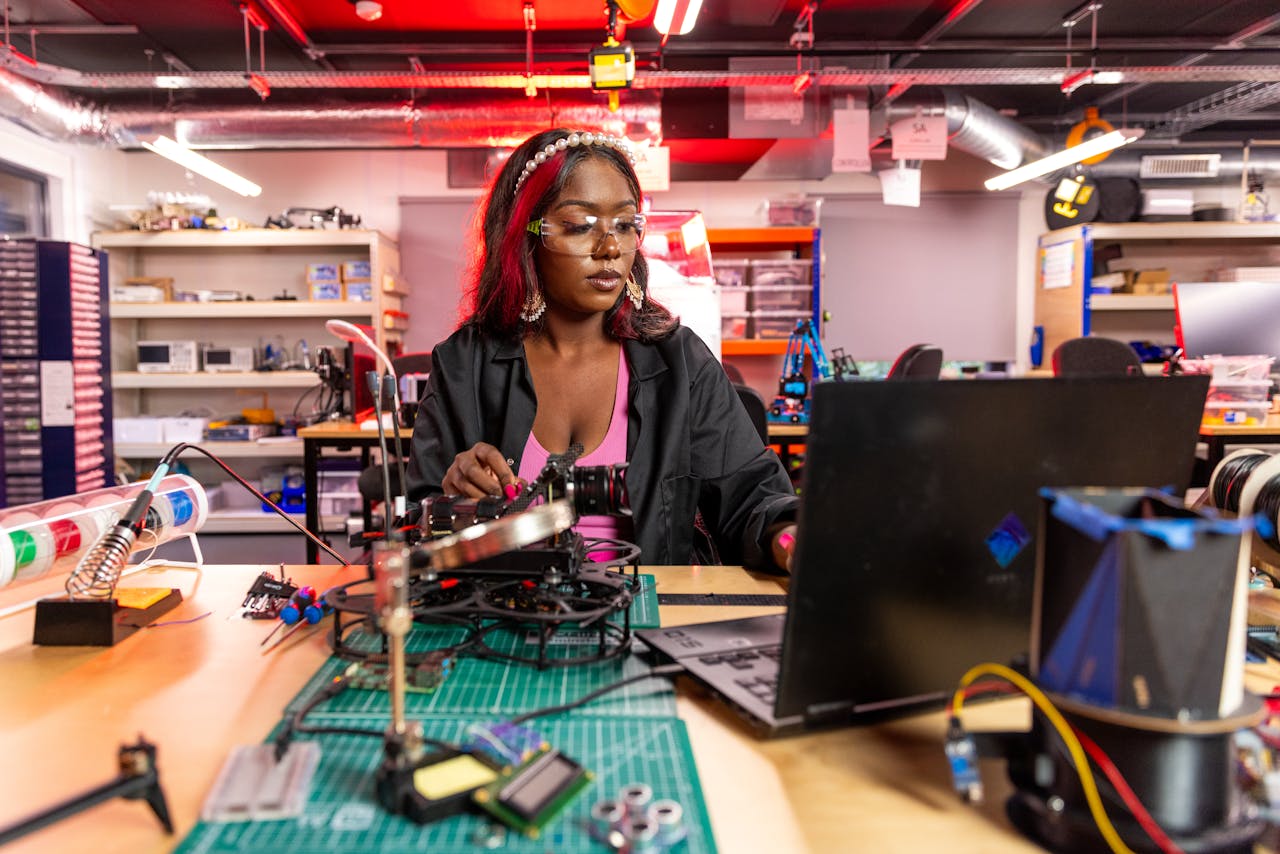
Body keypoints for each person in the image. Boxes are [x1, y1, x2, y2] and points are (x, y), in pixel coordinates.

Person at [404, 128, 798, 572]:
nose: (610, 248)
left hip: (650, 620)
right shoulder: (464, 365)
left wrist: (789, 538)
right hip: (507, 617)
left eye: (626, 225)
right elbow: (417, 531)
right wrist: (452, 504)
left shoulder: (680, 363)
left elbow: (753, 499)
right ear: (526, 237)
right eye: (579, 226)